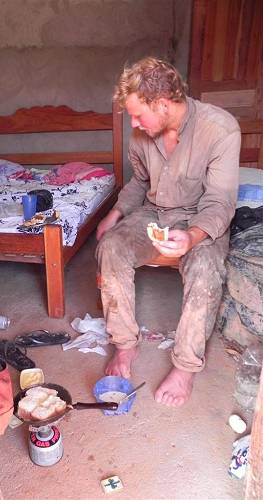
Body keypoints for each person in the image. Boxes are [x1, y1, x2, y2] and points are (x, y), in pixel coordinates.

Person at [95, 57, 241, 407]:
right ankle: (125, 346)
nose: (133, 123)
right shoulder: (142, 134)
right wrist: (114, 213)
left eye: (137, 114)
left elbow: (220, 201)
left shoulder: (220, 129)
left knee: (205, 269)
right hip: (154, 212)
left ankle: (185, 367)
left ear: (163, 104)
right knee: (111, 248)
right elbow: (140, 182)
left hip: (200, 217)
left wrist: (192, 237)